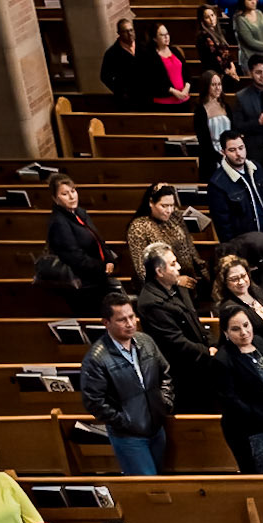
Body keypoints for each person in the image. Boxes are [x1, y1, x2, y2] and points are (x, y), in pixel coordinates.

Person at [79, 291, 174, 477]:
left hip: (156, 427)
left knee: (162, 481)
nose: (130, 324)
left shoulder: (146, 341)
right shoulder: (97, 358)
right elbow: (94, 402)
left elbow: (165, 373)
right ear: (106, 323)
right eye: (122, 320)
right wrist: (125, 421)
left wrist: (164, 403)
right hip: (129, 437)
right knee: (149, 488)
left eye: (131, 316)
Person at [137, 242, 217, 410]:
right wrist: (206, 352)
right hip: (184, 373)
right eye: (173, 264)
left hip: (202, 363)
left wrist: (212, 344)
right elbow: (174, 342)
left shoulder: (178, 288)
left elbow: (195, 320)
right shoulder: (151, 303)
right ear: (159, 271)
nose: (179, 267)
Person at [215, 300, 263, 473]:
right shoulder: (223, 360)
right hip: (247, 429)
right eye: (236, 329)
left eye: (246, 325)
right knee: (259, 477)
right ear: (226, 332)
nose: (244, 332)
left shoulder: (258, 342)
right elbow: (231, 401)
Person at [207, 129, 263, 246]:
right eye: (232, 150)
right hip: (245, 245)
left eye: (241, 148)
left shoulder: (256, 168)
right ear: (223, 152)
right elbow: (223, 227)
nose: (239, 154)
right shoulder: (218, 183)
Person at [45, 172, 115, 301]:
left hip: (97, 277)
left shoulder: (80, 212)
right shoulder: (59, 223)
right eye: (65, 194)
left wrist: (108, 259)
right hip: (82, 285)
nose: (72, 197)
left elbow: (98, 238)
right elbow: (75, 257)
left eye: (73, 191)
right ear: (55, 199)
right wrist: (102, 267)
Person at [126, 182, 205, 290]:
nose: (169, 210)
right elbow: (142, 269)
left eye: (172, 205)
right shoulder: (138, 226)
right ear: (151, 202)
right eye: (164, 206)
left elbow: (190, 248)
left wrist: (203, 272)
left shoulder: (175, 217)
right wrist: (176, 280)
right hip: (160, 287)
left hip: (187, 280)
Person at [213, 251, 263, 357]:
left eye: (243, 276)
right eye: (234, 279)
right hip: (260, 358)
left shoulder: (256, 291)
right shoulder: (229, 308)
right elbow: (243, 342)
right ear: (225, 282)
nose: (241, 282)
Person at [193, 68, 232, 180]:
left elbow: (233, 130)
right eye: (214, 85)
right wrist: (220, 157)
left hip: (228, 150)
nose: (218, 88)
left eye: (219, 84)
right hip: (210, 155)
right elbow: (204, 142)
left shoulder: (226, 106)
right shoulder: (200, 111)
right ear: (206, 86)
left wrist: (230, 152)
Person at [100, 15, 148, 106]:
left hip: (147, 94)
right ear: (119, 33)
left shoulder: (143, 47)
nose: (130, 34)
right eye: (125, 31)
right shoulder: (112, 53)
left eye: (131, 30)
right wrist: (121, 92)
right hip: (128, 99)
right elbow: (104, 76)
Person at [195, 2, 238, 81]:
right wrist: (229, 72)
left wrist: (232, 66)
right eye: (207, 17)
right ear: (202, 20)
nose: (211, 19)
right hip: (214, 74)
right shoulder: (203, 37)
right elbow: (212, 60)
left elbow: (226, 53)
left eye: (212, 15)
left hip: (227, 71)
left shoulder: (219, 32)